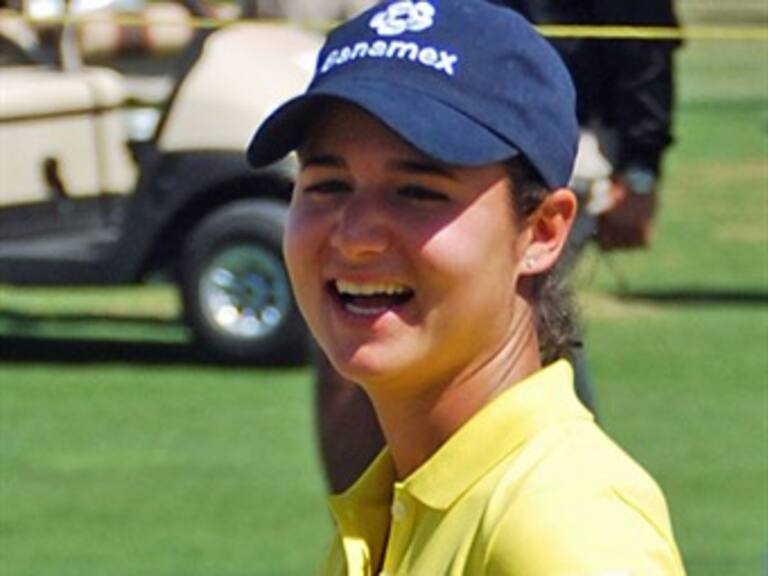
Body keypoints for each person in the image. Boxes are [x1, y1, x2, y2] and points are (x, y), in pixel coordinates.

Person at [247, 1, 685, 572]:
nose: (355, 237)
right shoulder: (393, 506)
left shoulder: (565, 532)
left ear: (544, 231)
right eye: (328, 184)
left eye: (418, 192)